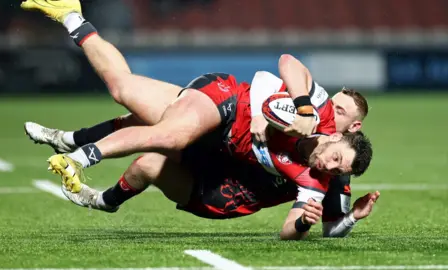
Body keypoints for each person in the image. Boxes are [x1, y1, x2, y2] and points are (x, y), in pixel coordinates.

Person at [21, 0, 375, 240]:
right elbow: (285, 65)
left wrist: (312, 222)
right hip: (224, 105)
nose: (328, 166)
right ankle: (76, 154)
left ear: (353, 130)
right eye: (334, 158)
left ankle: (71, 16)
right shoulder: (319, 112)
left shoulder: (322, 179)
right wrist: (301, 107)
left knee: (125, 94)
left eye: (335, 168)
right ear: (335, 138)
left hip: (218, 160)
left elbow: (318, 227)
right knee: (168, 135)